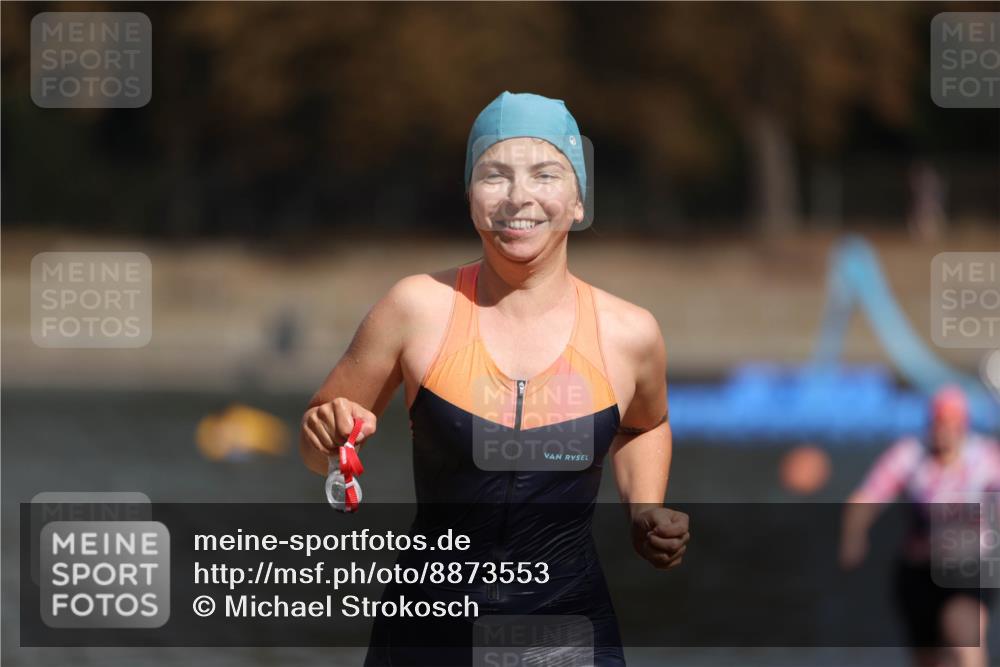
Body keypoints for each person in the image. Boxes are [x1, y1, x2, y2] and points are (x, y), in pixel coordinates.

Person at [299, 91, 689, 665]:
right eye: (494, 174)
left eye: (545, 174)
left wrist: (645, 509)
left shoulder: (629, 333)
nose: (518, 196)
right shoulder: (415, 309)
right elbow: (319, 447)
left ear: (578, 200)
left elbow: (644, 425)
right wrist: (328, 437)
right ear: (470, 197)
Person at [841, 385, 1000, 667]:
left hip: (968, 568)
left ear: (963, 426)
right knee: (928, 659)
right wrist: (853, 537)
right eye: (939, 423)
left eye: (951, 423)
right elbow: (866, 498)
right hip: (919, 570)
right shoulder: (909, 455)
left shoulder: (985, 458)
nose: (944, 431)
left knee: (966, 641)